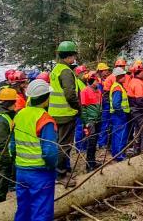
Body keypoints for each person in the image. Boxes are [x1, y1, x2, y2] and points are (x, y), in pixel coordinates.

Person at [12, 79, 58, 221]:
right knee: (41, 211)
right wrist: (52, 167)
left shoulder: (19, 115)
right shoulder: (45, 119)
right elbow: (49, 151)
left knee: (23, 209)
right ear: (46, 99)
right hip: (40, 172)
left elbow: (12, 145)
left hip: (21, 171)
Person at [48, 40, 81, 184]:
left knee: (57, 144)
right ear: (69, 56)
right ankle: (61, 175)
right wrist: (78, 107)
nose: (74, 59)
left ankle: (57, 172)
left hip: (54, 113)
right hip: (65, 113)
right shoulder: (66, 71)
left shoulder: (55, 70)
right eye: (74, 56)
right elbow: (70, 94)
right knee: (64, 145)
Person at [99, 59, 126, 149]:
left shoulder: (111, 77)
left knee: (110, 125)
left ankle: (107, 143)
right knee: (106, 124)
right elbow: (110, 94)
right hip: (109, 104)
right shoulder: (114, 79)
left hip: (109, 103)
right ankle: (103, 143)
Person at [126, 65, 143, 154]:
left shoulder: (136, 81)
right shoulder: (138, 83)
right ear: (139, 73)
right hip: (139, 110)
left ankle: (137, 149)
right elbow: (140, 100)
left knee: (138, 130)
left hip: (136, 110)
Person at [80, 72, 103, 172]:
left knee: (95, 142)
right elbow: (83, 109)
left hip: (98, 120)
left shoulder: (98, 91)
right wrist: (87, 122)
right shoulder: (85, 91)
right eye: (95, 80)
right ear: (90, 80)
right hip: (90, 121)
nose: (97, 82)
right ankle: (89, 165)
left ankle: (93, 161)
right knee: (91, 143)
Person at [109, 67, 131, 160]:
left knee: (116, 135)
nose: (125, 77)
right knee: (120, 135)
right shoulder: (117, 88)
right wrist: (121, 114)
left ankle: (115, 153)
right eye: (124, 75)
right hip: (119, 115)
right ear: (120, 76)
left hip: (117, 115)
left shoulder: (117, 86)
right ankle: (120, 155)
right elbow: (116, 104)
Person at [74, 65, 88, 153]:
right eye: (83, 73)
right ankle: (79, 148)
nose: (85, 74)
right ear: (79, 74)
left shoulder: (84, 83)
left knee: (84, 129)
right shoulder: (77, 83)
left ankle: (84, 146)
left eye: (86, 72)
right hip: (80, 110)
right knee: (79, 129)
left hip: (85, 109)